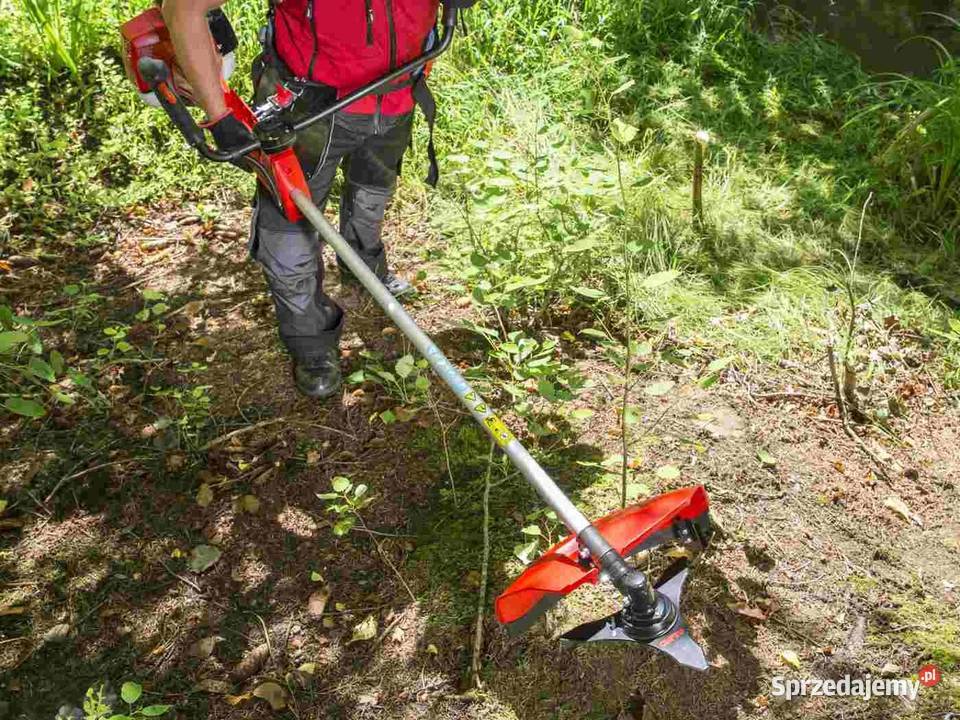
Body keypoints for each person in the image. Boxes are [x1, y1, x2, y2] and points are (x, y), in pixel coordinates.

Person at [162, 0, 442, 399]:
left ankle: (365, 270)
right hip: (308, 107)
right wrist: (219, 116)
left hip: (398, 94)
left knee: (372, 195)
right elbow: (184, 8)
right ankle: (310, 342)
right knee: (288, 229)